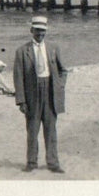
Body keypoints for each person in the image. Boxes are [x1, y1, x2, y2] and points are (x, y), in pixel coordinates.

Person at [12, 16, 68, 173]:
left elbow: (63, 70)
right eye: (37, 30)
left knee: (51, 131)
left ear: (46, 31)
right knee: (32, 131)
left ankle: (53, 163)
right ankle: (31, 163)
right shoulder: (22, 51)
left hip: (50, 93)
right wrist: (21, 101)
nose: (40, 33)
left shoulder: (53, 48)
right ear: (31, 30)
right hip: (32, 96)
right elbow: (18, 77)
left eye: (42, 30)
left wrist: (59, 85)